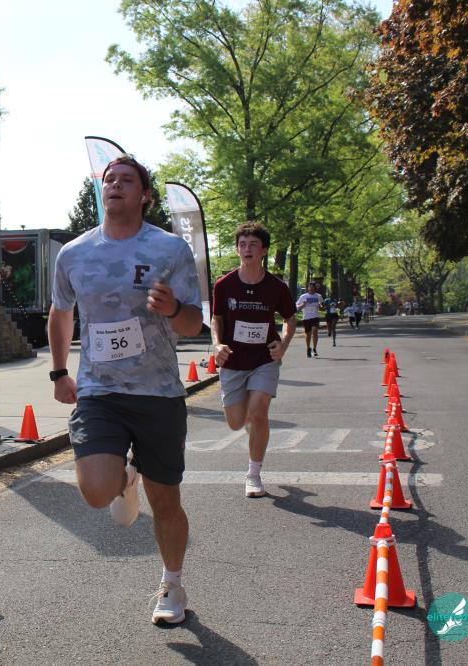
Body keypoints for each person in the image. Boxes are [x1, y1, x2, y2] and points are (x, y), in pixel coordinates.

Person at [47, 155, 203, 625]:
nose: (114, 185)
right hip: (100, 390)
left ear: (144, 196)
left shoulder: (169, 249)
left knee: (166, 502)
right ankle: (122, 478)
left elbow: (193, 323)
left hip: (158, 392)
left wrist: (173, 308)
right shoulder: (73, 253)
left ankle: (172, 584)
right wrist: (59, 372)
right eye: (109, 179)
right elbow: (61, 312)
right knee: (96, 493)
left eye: (126, 180)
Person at [212, 223, 296, 500]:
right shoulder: (224, 285)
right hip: (233, 360)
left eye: (253, 245)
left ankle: (254, 474)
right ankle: (251, 422)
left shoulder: (276, 287)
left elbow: (290, 319)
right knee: (236, 423)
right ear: (237, 249)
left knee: (259, 412)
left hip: (264, 359)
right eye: (242, 244)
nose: (247, 249)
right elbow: (217, 319)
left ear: (264, 251)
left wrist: (283, 345)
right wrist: (217, 344)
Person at [296, 281, 322, 357]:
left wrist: (321, 306)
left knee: (315, 330)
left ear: (315, 288)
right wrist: (303, 305)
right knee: (308, 334)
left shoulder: (318, 296)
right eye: (309, 287)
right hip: (306, 317)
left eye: (312, 287)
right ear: (307, 288)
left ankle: (314, 349)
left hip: (315, 316)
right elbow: (297, 307)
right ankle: (308, 348)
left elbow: (322, 305)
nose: (311, 288)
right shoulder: (303, 296)